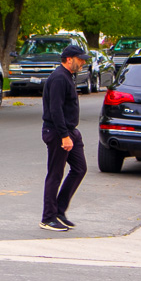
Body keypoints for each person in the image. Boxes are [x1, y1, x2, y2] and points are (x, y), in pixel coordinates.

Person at [39, 44, 89, 231]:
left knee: (79, 168)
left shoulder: (68, 76)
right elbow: (55, 110)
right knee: (55, 174)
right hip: (58, 132)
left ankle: (59, 210)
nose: (83, 62)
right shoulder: (60, 78)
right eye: (80, 59)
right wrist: (64, 136)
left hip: (70, 131)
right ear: (70, 59)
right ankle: (48, 217)